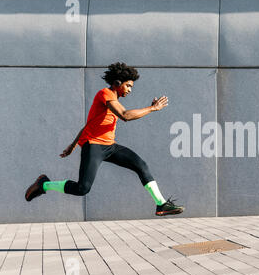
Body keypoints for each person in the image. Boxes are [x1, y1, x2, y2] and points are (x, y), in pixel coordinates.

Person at [25, 62, 184, 216]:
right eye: (128, 85)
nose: (129, 90)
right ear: (117, 82)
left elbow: (89, 124)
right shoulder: (105, 94)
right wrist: (152, 108)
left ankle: (161, 204)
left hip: (110, 146)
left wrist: (72, 145)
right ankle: (44, 184)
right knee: (82, 189)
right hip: (94, 146)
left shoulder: (113, 99)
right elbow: (125, 116)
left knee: (141, 165)